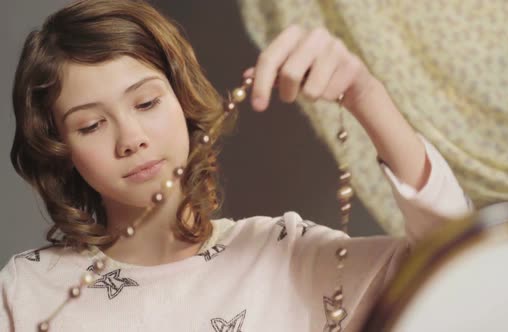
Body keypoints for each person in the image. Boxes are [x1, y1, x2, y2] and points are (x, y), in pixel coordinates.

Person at [0, 0, 470, 331]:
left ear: (182, 101)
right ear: (59, 147)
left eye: (145, 103)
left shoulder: (286, 256)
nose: (132, 139)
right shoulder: (25, 290)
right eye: (91, 125)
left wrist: (367, 97)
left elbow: (460, 265)